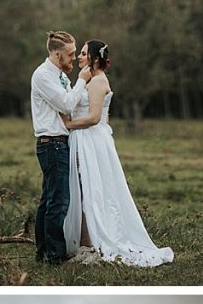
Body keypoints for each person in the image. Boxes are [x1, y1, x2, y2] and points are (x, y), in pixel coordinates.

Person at [61, 40, 174, 266]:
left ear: (94, 58)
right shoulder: (90, 80)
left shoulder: (97, 82)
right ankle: (86, 241)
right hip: (90, 138)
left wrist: (67, 125)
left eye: (83, 54)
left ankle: (92, 242)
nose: (79, 58)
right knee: (86, 190)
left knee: (91, 190)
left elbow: (94, 118)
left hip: (91, 139)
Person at [31, 30, 91, 264]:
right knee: (59, 201)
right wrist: (83, 81)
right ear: (57, 55)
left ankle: (43, 251)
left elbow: (70, 107)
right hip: (52, 144)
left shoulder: (60, 77)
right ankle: (54, 255)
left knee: (49, 199)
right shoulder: (43, 76)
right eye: (70, 54)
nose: (74, 58)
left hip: (59, 143)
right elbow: (66, 103)